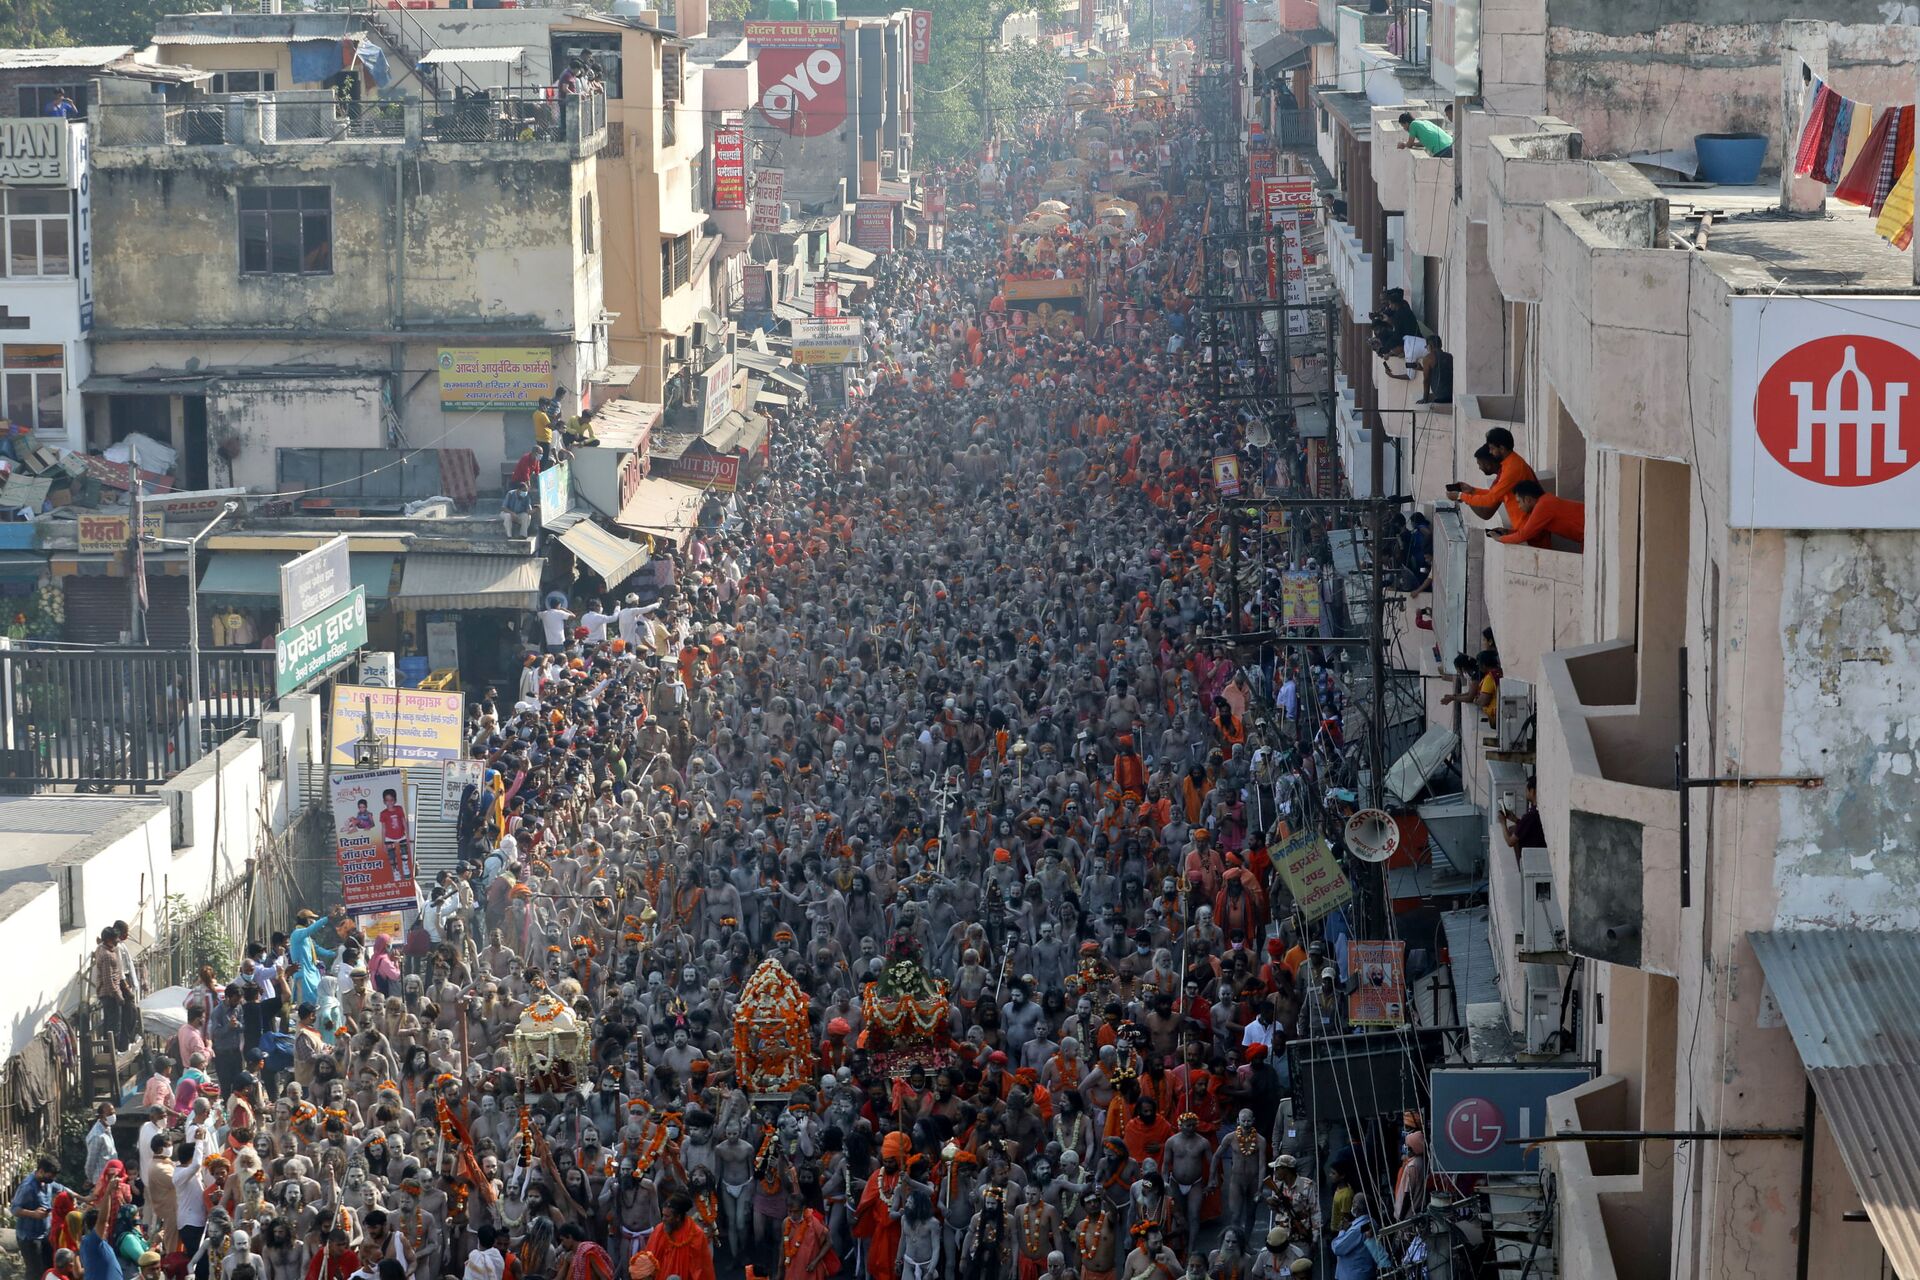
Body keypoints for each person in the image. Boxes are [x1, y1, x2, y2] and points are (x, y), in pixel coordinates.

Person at [13, 1155, 66, 1279]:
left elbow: (63, 1189)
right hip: (29, 1237)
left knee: (49, 1267)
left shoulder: (47, 1183)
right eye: (51, 1176)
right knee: (35, 1272)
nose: (53, 1179)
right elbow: (14, 1209)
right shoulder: (27, 1186)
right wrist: (33, 1214)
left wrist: (84, 1198)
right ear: (41, 1171)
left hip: (44, 1234)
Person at [1493, 479, 1585, 548]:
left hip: (1590, 530)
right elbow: (1531, 531)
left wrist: (1499, 539)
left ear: (1527, 499)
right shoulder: (1545, 501)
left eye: (1519, 502)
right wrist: (1508, 532)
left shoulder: (1543, 506)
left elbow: (1523, 535)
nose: (1519, 506)